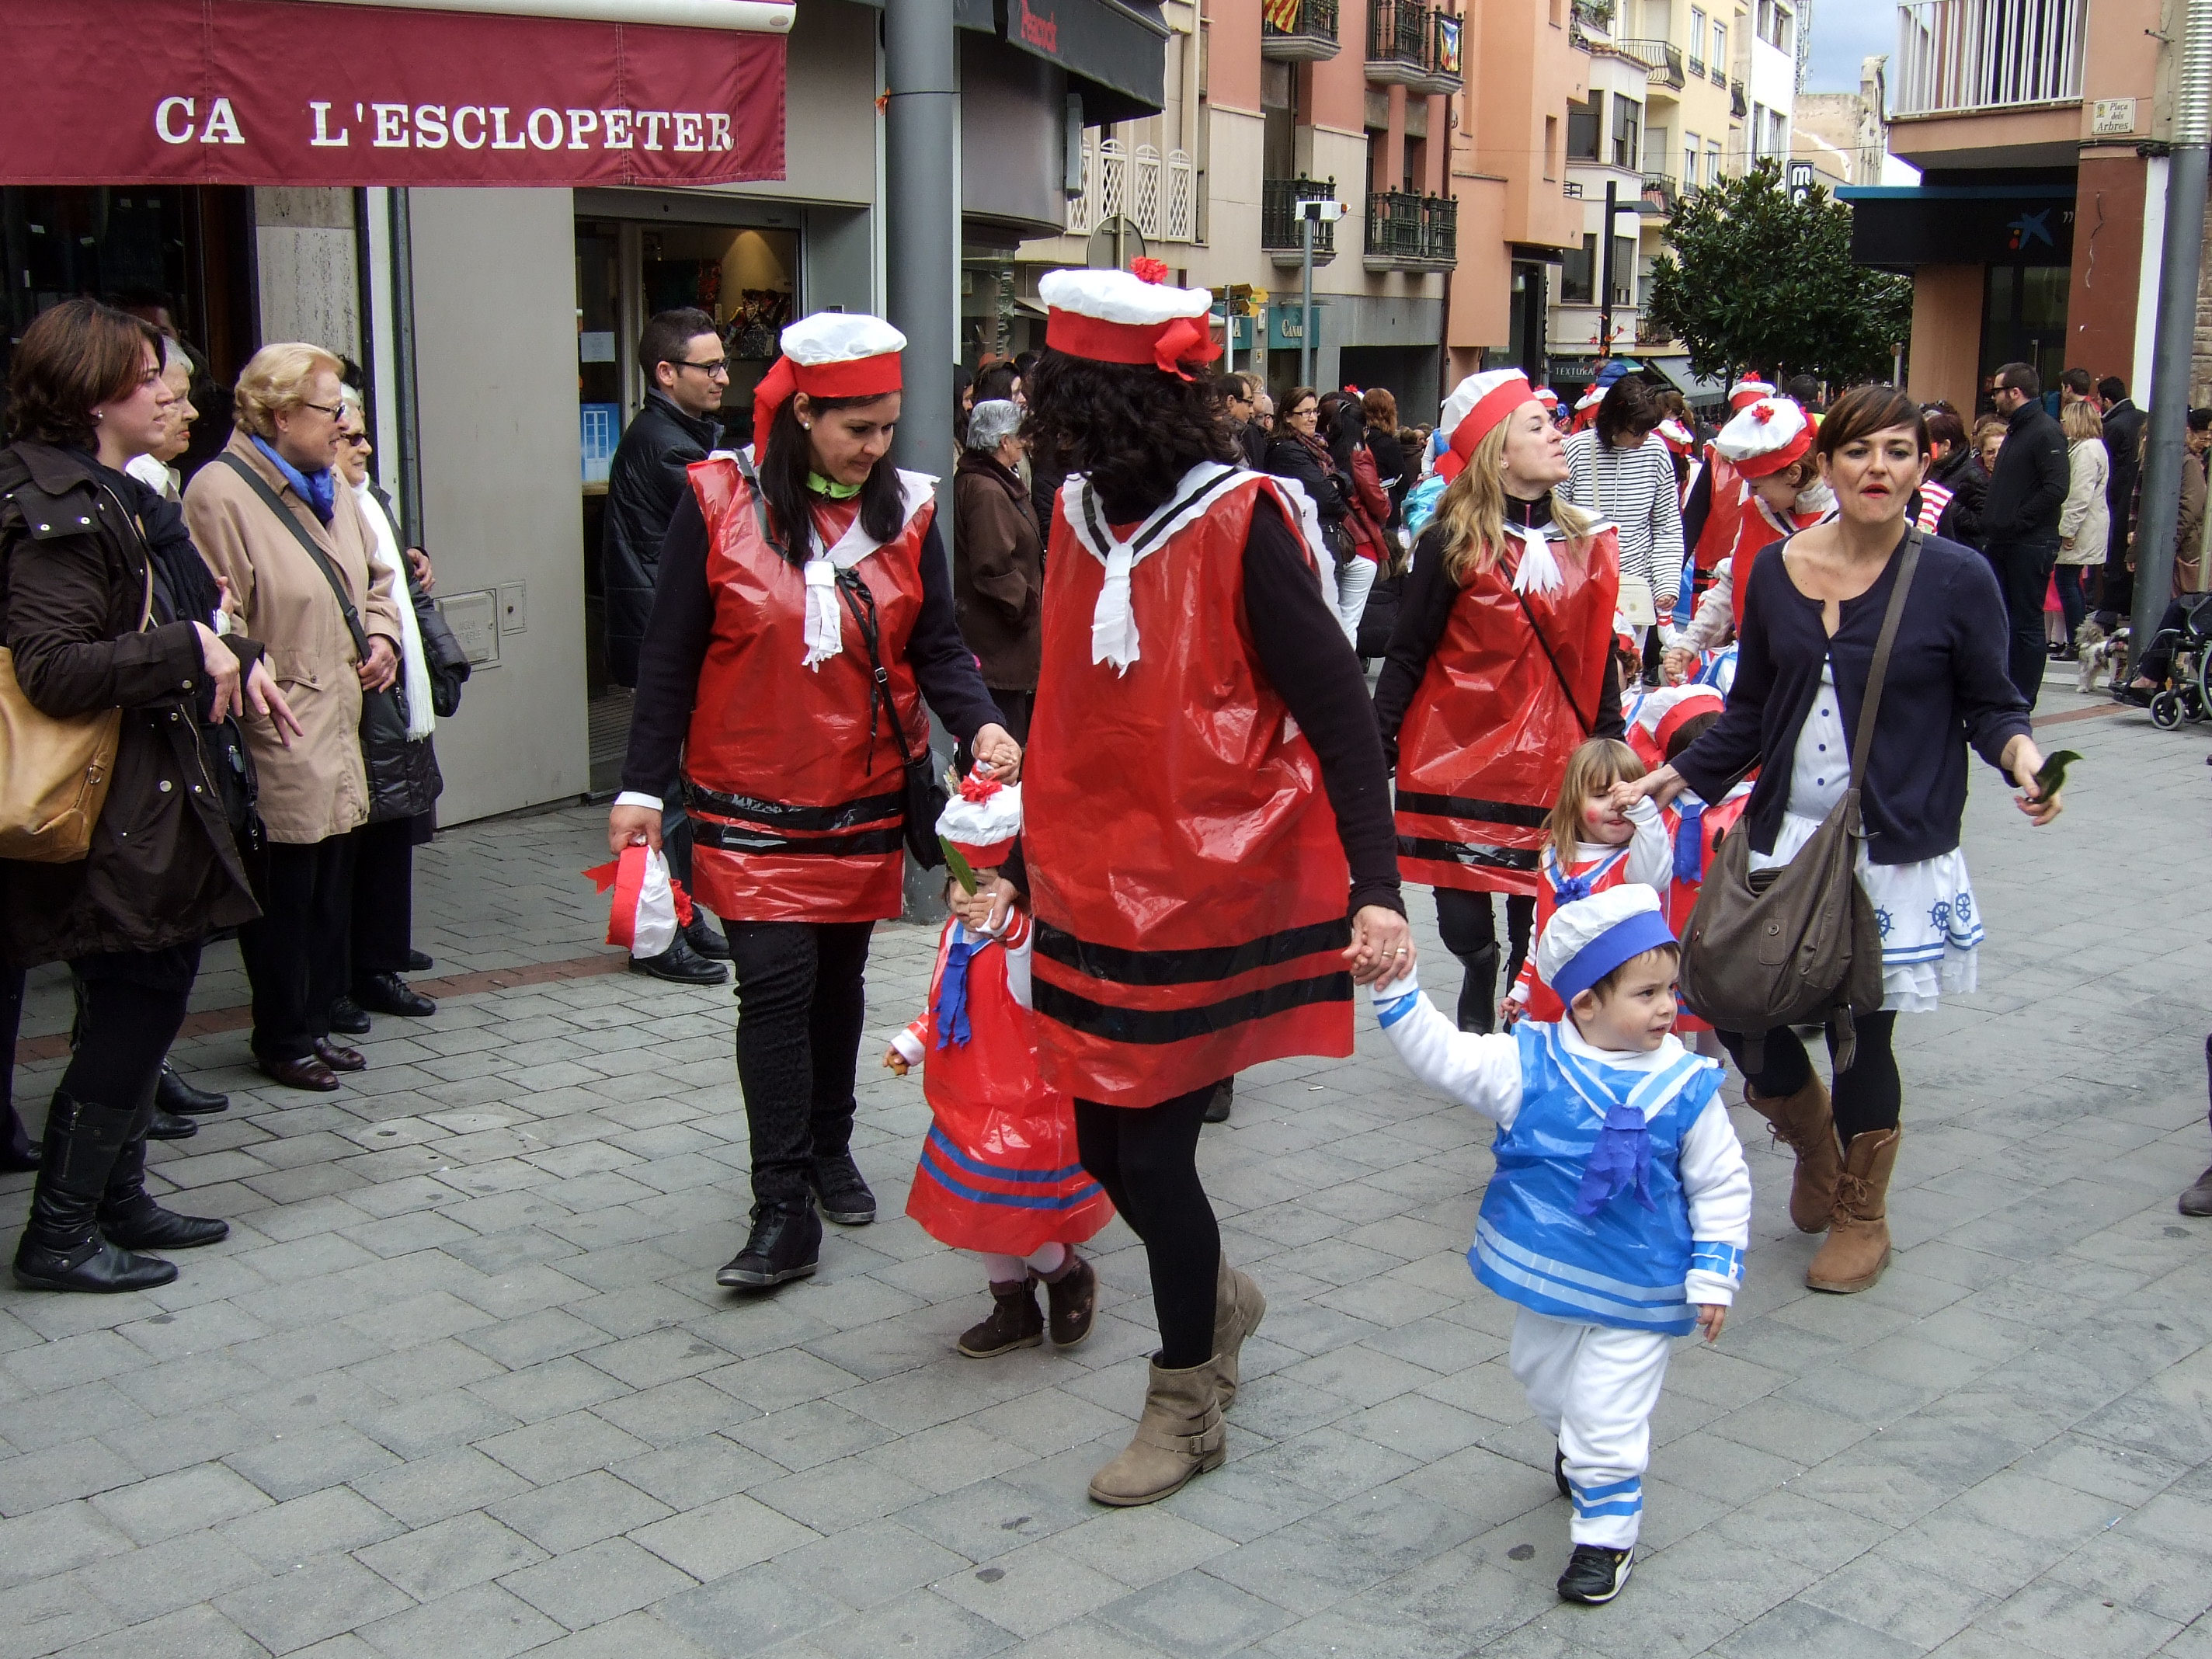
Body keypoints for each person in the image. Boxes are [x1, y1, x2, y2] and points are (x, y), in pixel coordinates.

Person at [977, 265, 1410, 1508]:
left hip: (1208, 884)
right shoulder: (1072, 513)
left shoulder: (1245, 516)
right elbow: (1066, 706)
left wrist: (1376, 888)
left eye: (1061, 401)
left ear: (1112, 407)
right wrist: (1018, 862)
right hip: (1088, 884)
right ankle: (1219, 1298)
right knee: (1100, 1140)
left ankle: (1187, 1400)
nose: (1044, 423)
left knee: (1157, 1158)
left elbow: (1337, 710)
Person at [1613, 384, 2061, 1296]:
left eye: (1898, 451)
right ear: (1827, 464)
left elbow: (1990, 703)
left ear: (1922, 464)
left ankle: (1862, 1212)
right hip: (1782, 831)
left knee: (1860, 1033)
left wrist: (2023, 759)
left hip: (1888, 847)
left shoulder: (1956, 578)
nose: (1877, 469)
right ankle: (1814, 1143)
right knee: (1731, 1001)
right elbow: (1750, 712)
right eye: (1859, 451)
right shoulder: (1777, 570)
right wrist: (1666, 778)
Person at [609, 312, 1021, 1292]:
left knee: (838, 984)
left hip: (863, 794)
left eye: (887, 428)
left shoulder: (907, 511)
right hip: (748, 798)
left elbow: (938, 646)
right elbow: (668, 657)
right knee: (774, 988)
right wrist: (639, 787)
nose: (876, 448)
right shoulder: (715, 500)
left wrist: (980, 723)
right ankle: (782, 1203)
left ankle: (831, 1145)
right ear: (802, 414)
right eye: (856, 429)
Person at [3, 299, 300, 1289]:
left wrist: (229, 649)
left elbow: (180, 615)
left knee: (145, 990)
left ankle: (114, 1200)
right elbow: (51, 667)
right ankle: (60, 1234)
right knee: (136, 996)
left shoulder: (109, 492)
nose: (173, 394)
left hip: (143, 790)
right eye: (147, 379)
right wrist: (191, 647)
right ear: (92, 394)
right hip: (105, 802)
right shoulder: (56, 504)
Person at [1369, 884, 1749, 1605]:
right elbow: (1445, 1056)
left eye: (1671, 990)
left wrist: (1714, 1273)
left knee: (1606, 1410)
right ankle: (1580, 1447)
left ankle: (1605, 1536)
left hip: (1642, 1288)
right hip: (1553, 1280)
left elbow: (1722, 1182)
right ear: (1585, 1004)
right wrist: (1397, 988)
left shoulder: (1687, 1086)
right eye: (1646, 993)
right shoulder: (1530, 1064)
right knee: (1542, 1376)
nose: (1667, 1008)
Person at [1376, 369, 1626, 1035]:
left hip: (1554, 759)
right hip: (1455, 756)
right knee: (1463, 923)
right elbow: (1407, 652)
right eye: (1537, 425)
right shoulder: (1450, 540)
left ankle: (1517, 1022)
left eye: (1554, 422)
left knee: (1537, 915)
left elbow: (1597, 653)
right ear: (1499, 452)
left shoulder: (1590, 540)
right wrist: (1378, 742)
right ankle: (1478, 965)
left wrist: (1612, 744)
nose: (1557, 434)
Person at [184, 343, 401, 1093]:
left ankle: (313, 1021)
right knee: (286, 890)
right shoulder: (219, 492)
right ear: (281, 415)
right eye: (330, 409)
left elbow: (376, 578)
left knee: (333, 881)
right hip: (278, 720)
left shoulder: (329, 480)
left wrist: (383, 636)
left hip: (339, 714)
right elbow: (218, 616)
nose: (344, 423)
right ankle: (281, 1034)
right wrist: (254, 669)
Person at [884, 778, 1111, 1358]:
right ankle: (1012, 1305)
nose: (966, 896)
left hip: (1023, 1100)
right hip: (965, 1097)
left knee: (1005, 1203)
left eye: (983, 883)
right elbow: (947, 1001)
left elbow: (1034, 996)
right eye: (957, 880)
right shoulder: (954, 935)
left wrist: (1010, 932)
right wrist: (914, 1041)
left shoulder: (1028, 939)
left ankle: (1064, 1272)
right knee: (979, 1211)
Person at [599, 307, 734, 986]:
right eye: (709, 366)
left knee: (675, 794)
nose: (723, 377)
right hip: (663, 638)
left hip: (663, 630)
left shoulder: (677, 435)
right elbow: (732, 513)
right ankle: (656, 933)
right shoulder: (664, 446)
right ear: (665, 373)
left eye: (723, 363)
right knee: (661, 796)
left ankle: (682, 917)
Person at [332, 391, 468, 1021]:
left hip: (396, 688)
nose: (364, 447)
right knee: (355, 839)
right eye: (350, 436)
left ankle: (379, 956)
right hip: (358, 691)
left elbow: (402, 589)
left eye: (364, 434)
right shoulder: (315, 507)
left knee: (394, 826)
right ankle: (351, 971)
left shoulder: (372, 500)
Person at [1502, 739, 1669, 1024]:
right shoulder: (1554, 856)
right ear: (1574, 801)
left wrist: (1646, 815)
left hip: (1615, 1013)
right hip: (1553, 1001)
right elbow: (1542, 928)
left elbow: (1655, 878)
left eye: (1629, 795)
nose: (1617, 805)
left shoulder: (1636, 861)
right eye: (1601, 795)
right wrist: (1523, 985)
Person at [1563, 377, 1683, 647]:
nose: (1644, 438)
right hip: (1581, 587)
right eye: (1637, 432)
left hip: (1633, 590)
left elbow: (1666, 526)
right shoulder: (1576, 450)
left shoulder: (1656, 452)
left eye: (1649, 430)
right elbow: (1555, 520)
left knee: (1629, 665)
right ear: (1614, 423)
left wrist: (1665, 584)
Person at [951, 398, 1043, 744]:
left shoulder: (992, 482)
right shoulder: (987, 489)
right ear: (1004, 441)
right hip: (997, 644)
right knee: (1003, 739)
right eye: (1020, 436)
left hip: (1000, 643)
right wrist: (1025, 607)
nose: (1025, 444)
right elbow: (993, 565)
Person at [1980, 362, 2071, 708]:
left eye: (1998, 391)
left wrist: (2017, 520)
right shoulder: (2018, 431)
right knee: (2005, 619)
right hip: (2006, 540)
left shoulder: (2044, 431)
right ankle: (2004, 690)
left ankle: (2022, 697)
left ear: (2015, 392)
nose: (1994, 397)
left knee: (2026, 623)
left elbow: (2056, 488)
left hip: (2028, 542)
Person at [2118, 410, 2212, 697]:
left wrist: (2166, 544)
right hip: (2173, 547)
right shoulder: (2166, 463)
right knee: (2175, 611)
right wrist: (2137, 549)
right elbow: (2141, 509)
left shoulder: (2185, 463)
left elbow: (2188, 509)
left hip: (2182, 552)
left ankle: (2152, 677)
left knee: (2179, 611)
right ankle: (2151, 675)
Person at [1326, 391, 1390, 640]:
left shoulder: (1324, 454)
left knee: (1332, 620)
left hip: (1334, 541)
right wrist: (1386, 502)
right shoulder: (1360, 457)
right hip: (1360, 543)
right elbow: (1377, 503)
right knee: (1348, 622)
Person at [2053, 397, 2109, 658]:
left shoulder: (2086, 451)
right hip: (2088, 523)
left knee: (2067, 581)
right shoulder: (2091, 448)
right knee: (2071, 582)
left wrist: (2068, 530)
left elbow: (2079, 495)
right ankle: (2079, 640)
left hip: (2082, 525)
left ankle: (2077, 642)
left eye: (2065, 420)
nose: (2062, 425)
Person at [1264, 384, 1350, 553]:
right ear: (1287, 417)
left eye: (1315, 411)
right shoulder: (1288, 451)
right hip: (1307, 539)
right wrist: (1337, 484)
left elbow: (1342, 482)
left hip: (1319, 535)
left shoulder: (1316, 446)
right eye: (1305, 413)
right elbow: (1329, 499)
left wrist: (1337, 483)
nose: (1313, 418)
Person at [2101, 375, 2146, 613]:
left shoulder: (2113, 427)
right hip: (2130, 495)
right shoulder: (2143, 417)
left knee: (2117, 554)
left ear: (2107, 400)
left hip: (2119, 496)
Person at [1922, 408, 1986, 549]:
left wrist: (1947, 504)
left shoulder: (1972, 474)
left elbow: (1982, 523)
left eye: (1929, 445)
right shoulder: (1934, 467)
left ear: (1946, 445)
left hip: (1961, 546)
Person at [1363, 386, 1410, 527]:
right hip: (1387, 512)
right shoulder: (1388, 444)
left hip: (1364, 513)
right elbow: (1403, 483)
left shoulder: (1359, 441)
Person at [1223, 374, 1267, 468]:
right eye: (1249, 402)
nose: (1251, 410)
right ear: (1230, 401)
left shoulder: (1235, 435)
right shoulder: (1222, 439)